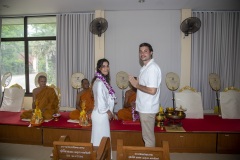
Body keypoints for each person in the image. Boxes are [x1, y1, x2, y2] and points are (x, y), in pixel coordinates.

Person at [129, 42, 162, 147]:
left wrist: (137, 85)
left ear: (151, 53)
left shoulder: (152, 68)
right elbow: (144, 87)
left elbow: (152, 91)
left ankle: (150, 156)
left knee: (148, 138)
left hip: (148, 108)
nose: (142, 53)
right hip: (144, 106)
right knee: (147, 136)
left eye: (145, 51)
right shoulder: (145, 68)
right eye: (140, 51)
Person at [91, 58, 115, 148]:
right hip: (101, 114)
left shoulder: (101, 81)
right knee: (102, 141)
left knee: (99, 140)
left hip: (99, 114)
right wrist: (109, 112)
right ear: (99, 68)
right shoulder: (100, 83)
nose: (106, 68)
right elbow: (101, 101)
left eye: (107, 66)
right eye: (103, 66)